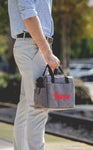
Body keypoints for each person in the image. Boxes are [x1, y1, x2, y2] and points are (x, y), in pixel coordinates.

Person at [8, 0, 60, 149]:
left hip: (34, 44)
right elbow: (29, 15)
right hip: (33, 46)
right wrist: (47, 53)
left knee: (27, 104)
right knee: (39, 106)